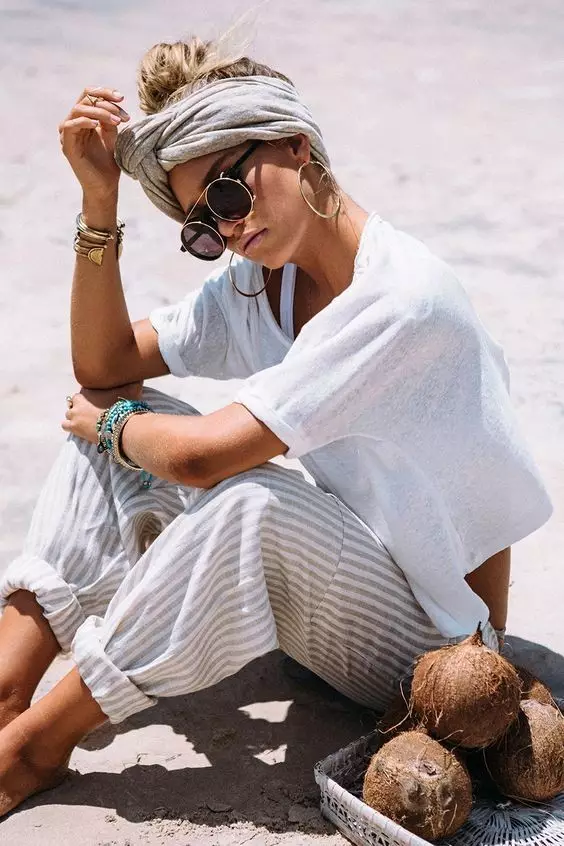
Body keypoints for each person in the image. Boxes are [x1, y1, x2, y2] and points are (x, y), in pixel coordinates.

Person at [0, 37, 552, 816]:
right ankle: (8, 685)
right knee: (125, 420)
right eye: (201, 223)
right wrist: (99, 206)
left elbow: (202, 459)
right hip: (348, 579)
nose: (228, 229)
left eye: (227, 194)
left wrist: (112, 423)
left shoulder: (401, 301)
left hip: (442, 650)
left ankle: (32, 750)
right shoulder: (266, 282)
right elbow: (106, 361)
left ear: (295, 145)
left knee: (243, 496)